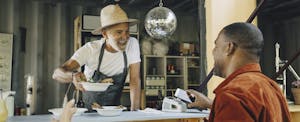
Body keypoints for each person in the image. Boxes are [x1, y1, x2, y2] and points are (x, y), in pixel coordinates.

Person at [187, 22, 291, 122]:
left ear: (229, 47)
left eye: (216, 46)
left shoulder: (233, 93)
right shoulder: (272, 87)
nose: (213, 52)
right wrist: (212, 104)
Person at [52, 4, 141, 111]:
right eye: (119, 32)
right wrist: (72, 76)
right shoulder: (91, 49)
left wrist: (135, 112)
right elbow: (57, 74)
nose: (125, 37)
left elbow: (135, 80)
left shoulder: (132, 44)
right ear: (105, 34)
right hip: (88, 112)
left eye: (127, 31)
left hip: (114, 112)